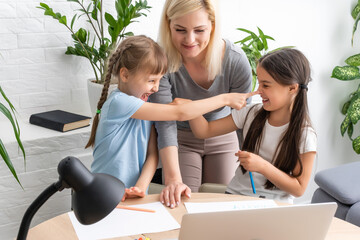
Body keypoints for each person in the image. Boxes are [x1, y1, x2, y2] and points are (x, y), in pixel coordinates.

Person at [85, 35, 253, 202]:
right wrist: (225, 99)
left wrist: (140, 188)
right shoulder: (119, 102)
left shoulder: (147, 107)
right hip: (102, 191)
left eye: (159, 80)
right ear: (125, 75)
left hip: (126, 193)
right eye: (151, 80)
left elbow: (152, 155)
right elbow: (180, 113)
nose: (156, 88)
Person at [149, 0, 252, 206]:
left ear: (213, 26)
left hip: (222, 136)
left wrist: (252, 171)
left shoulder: (235, 60)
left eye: (199, 30)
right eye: (180, 30)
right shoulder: (161, 61)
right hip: (180, 138)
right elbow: (165, 121)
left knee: (222, 204)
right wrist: (173, 179)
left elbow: (246, 120)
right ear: (168, 24)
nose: (190, 39)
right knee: (183, 202)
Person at [188, 48, 317, 203]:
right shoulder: (250, 113)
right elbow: (204, 131)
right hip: (235, 198)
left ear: (292, 88)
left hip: (275, 206)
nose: (258, 91)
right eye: (259, 83)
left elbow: (299, 188)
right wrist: (188, 107)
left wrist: (262, 166)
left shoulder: (305, 134)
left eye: (266, 85)